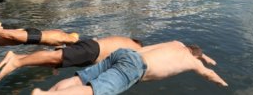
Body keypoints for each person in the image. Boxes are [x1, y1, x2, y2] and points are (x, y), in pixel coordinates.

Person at [32, 41, 228, 95]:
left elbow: (197, 53)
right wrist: (222, 82)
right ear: (196, 57)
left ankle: (50, 92)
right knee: (94, 90)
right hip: (135, 67)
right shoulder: (193, 61)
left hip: (124, 53)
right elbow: (209, 74)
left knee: (79, 79)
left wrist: (207, 58)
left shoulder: (177, 43)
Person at [0, 36, 143, 81]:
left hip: (91, 52)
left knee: (52, 61)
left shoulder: (124, 40)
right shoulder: (137, 49)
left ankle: (18, 57)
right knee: (54, 58)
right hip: (93, 51)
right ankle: (17, 61)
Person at [0, 7, 79, 48]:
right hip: (34, 36)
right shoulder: (68, 38)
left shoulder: (60, 38)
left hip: (33, 37)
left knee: (2, 42)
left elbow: (59, 50)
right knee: (3, 34)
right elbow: (76, 41)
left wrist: (55, 66)